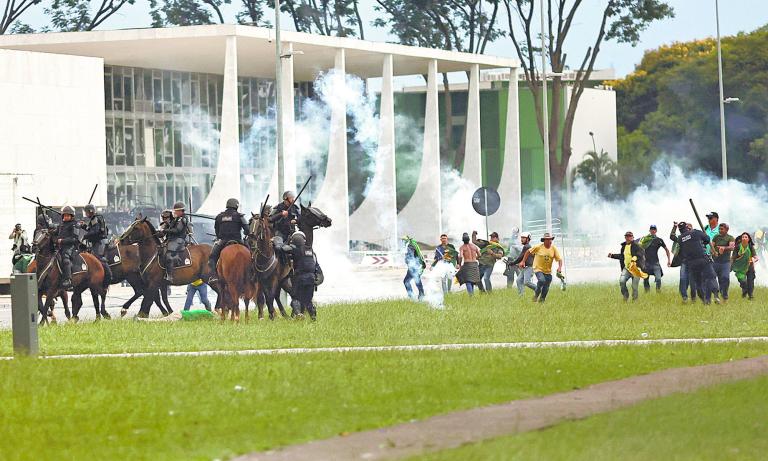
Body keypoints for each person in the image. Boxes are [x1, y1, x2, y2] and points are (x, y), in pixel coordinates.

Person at [674, 221, 717, 305]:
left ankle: (705, 301)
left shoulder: (680, 239)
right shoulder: (696, 232)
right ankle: (715, 295)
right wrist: (701, 242)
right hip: (703, 260)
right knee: (711, 277)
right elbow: (707, 239)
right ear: (687, 227)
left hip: (692, 263)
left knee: (698, 283)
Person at [208, 198, 250, 282]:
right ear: (236, 206)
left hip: (223, 241)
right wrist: (245, 233)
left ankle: (214, 276)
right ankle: (253, 273)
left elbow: (217, 230)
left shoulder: (219, 216)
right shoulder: (240, 216)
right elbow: (247, 230)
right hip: (238, 240)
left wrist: (220, 236)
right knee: (251, 254)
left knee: (212, 257)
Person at [281, 231, 318, 320]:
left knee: (295, 297)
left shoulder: (295, 249)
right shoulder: (310, 250)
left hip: (300, 277)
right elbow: (316, 264)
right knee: (308, 300)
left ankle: (298, 314)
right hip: (311, 278)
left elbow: (282, 248)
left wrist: (277, 241)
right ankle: (313, 317)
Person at [518, 233, 563, 303]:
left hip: (548, 271)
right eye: (547, 240)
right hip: (538, 269)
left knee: (546, 288)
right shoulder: (538, 247)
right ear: (544, 240)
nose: (549, 241)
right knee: (542, 280)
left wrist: (559, 268)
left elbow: (559, 259)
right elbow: (528, 252)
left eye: (550, 239)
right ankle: (536, 295)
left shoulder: (553, 249)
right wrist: (523, 261)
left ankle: (541, 302)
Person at [608, 231, 647, 302]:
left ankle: (635, 300)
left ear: (632, 237)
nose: (628, 238)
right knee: (622, 281)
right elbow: (622, 256)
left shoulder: (637, 245)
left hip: (635, 268)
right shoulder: (624, 246)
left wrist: (635, 258)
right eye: (627, 236)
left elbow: (641, 253)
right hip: (627, 268)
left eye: (629, 236)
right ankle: (625, 296)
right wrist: (612, 255)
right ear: (625, 237)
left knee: (634, 286)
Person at [79, 204, 112, 283]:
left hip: (100, 242)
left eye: (86, 212)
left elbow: (95, 231)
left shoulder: (95, 218)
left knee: (98, 258)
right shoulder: (95, 219)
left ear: (90, 211)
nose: (86, 214)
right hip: (98, 242)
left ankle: (109, 275)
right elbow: (90, 229)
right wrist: (83, 226)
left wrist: (85, 236)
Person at [158, 202, 190, 283]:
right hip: (172, 239)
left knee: (169, 255)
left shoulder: (183, 219)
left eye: (176, 211)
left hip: (179, 239)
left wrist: (165, 230)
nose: (175, 212)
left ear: (181, 211)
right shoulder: (176, 219)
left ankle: (170, 276)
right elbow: (171, 227)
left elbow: (177, 230)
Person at [51, 206, 79, 290]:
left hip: (70, 247)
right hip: (60, 247)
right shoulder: (61, 224)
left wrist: (62, 241)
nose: (66, 217)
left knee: (65, 258)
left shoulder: (75, 225)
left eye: (68, 215)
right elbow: (56, 232)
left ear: (72, 216)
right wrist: (50, 230)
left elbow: (75, 239)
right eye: (64, 215)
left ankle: (68, 279)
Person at [637, 225, 671, 293]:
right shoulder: (644, 239)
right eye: (651, 229)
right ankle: (647, 293)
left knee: (658, 279)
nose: (653, 230)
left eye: (654, 229)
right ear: (649, 230)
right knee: (645, 279)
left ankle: (658, 292)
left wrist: (669, 260)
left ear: (656, 231)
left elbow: (667, 250)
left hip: (655, 263)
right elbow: (637, 247)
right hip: (646, 263)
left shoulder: (659, 240)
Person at [670, 222, 698, 303]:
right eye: (687, 228)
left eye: (689, 228)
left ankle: (693, 298)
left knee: (693, 281)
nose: (688, 230)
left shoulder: (695, 237)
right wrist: (674, 227)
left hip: (694, 262)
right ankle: (684, 297)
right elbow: (672, 236)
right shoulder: (680, 238)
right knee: (683, 279)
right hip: (684, 262)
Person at [711, 222, 736, 302]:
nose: (720, 230)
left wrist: (724, 248)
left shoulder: (730, 238)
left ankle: (724, 294)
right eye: (719, 229)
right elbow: (712, 246)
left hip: (725, 263)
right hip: (715, 261)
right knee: (712, 277)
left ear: (726, 230)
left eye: (722, 229)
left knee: (725, 278)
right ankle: (716, 295)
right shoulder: (716, 237)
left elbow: (732, 247)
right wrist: (714, 252)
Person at [507, 232, 536, 296]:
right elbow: (521, 257)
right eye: (521, 238)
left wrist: (512, 263)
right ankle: (521, 296)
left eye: (523, 238)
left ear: (528, 239)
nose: (522, 239)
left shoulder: (527, 246)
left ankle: (538, 289)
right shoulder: (526, 246)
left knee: (527, 282)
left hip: (529, 267)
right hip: (526, 267)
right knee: (519, 280)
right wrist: (514, 263)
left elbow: (520, 257)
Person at [732, 232, 758, 300]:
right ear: (741, 239)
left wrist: (753, 260)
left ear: (748, 239)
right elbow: (733, 258)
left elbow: (756, 257)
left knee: (750, 282)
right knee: (743, 282)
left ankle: (751, 296)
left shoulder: (750, 246)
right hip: (740, 268)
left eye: (746, 237)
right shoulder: (737, 247)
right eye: (743, 237)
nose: (744, 238)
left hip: (749, 267)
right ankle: (744, 291)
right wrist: (739, 256)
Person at [402, 235, 425, 300]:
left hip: (413, 266)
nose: (403, 242)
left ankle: (412, 295)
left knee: (407, 281)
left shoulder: (410, 246)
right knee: (416, 280)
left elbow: (411, 256)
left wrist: (409, 263)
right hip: (416, 265)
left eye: (403, 240)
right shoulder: (413, 244)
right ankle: (421, 294)